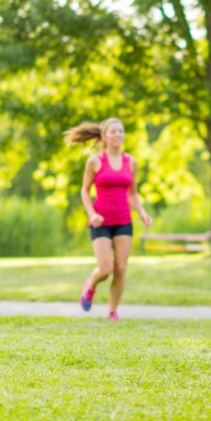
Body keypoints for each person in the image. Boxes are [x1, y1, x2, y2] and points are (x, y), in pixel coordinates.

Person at [64, 118, 152, 320]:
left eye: (121, 131)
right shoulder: (95, 161)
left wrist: (142, 213)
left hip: (123, 220)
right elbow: (85, 191)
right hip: (100, 221)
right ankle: (91, 284)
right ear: (104, 136)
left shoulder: (132, 161)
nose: (118, 135)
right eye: (113, 131)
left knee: (121, 268)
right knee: (106, 269)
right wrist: (92, 213)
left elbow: (133, 194)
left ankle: (112, 311)